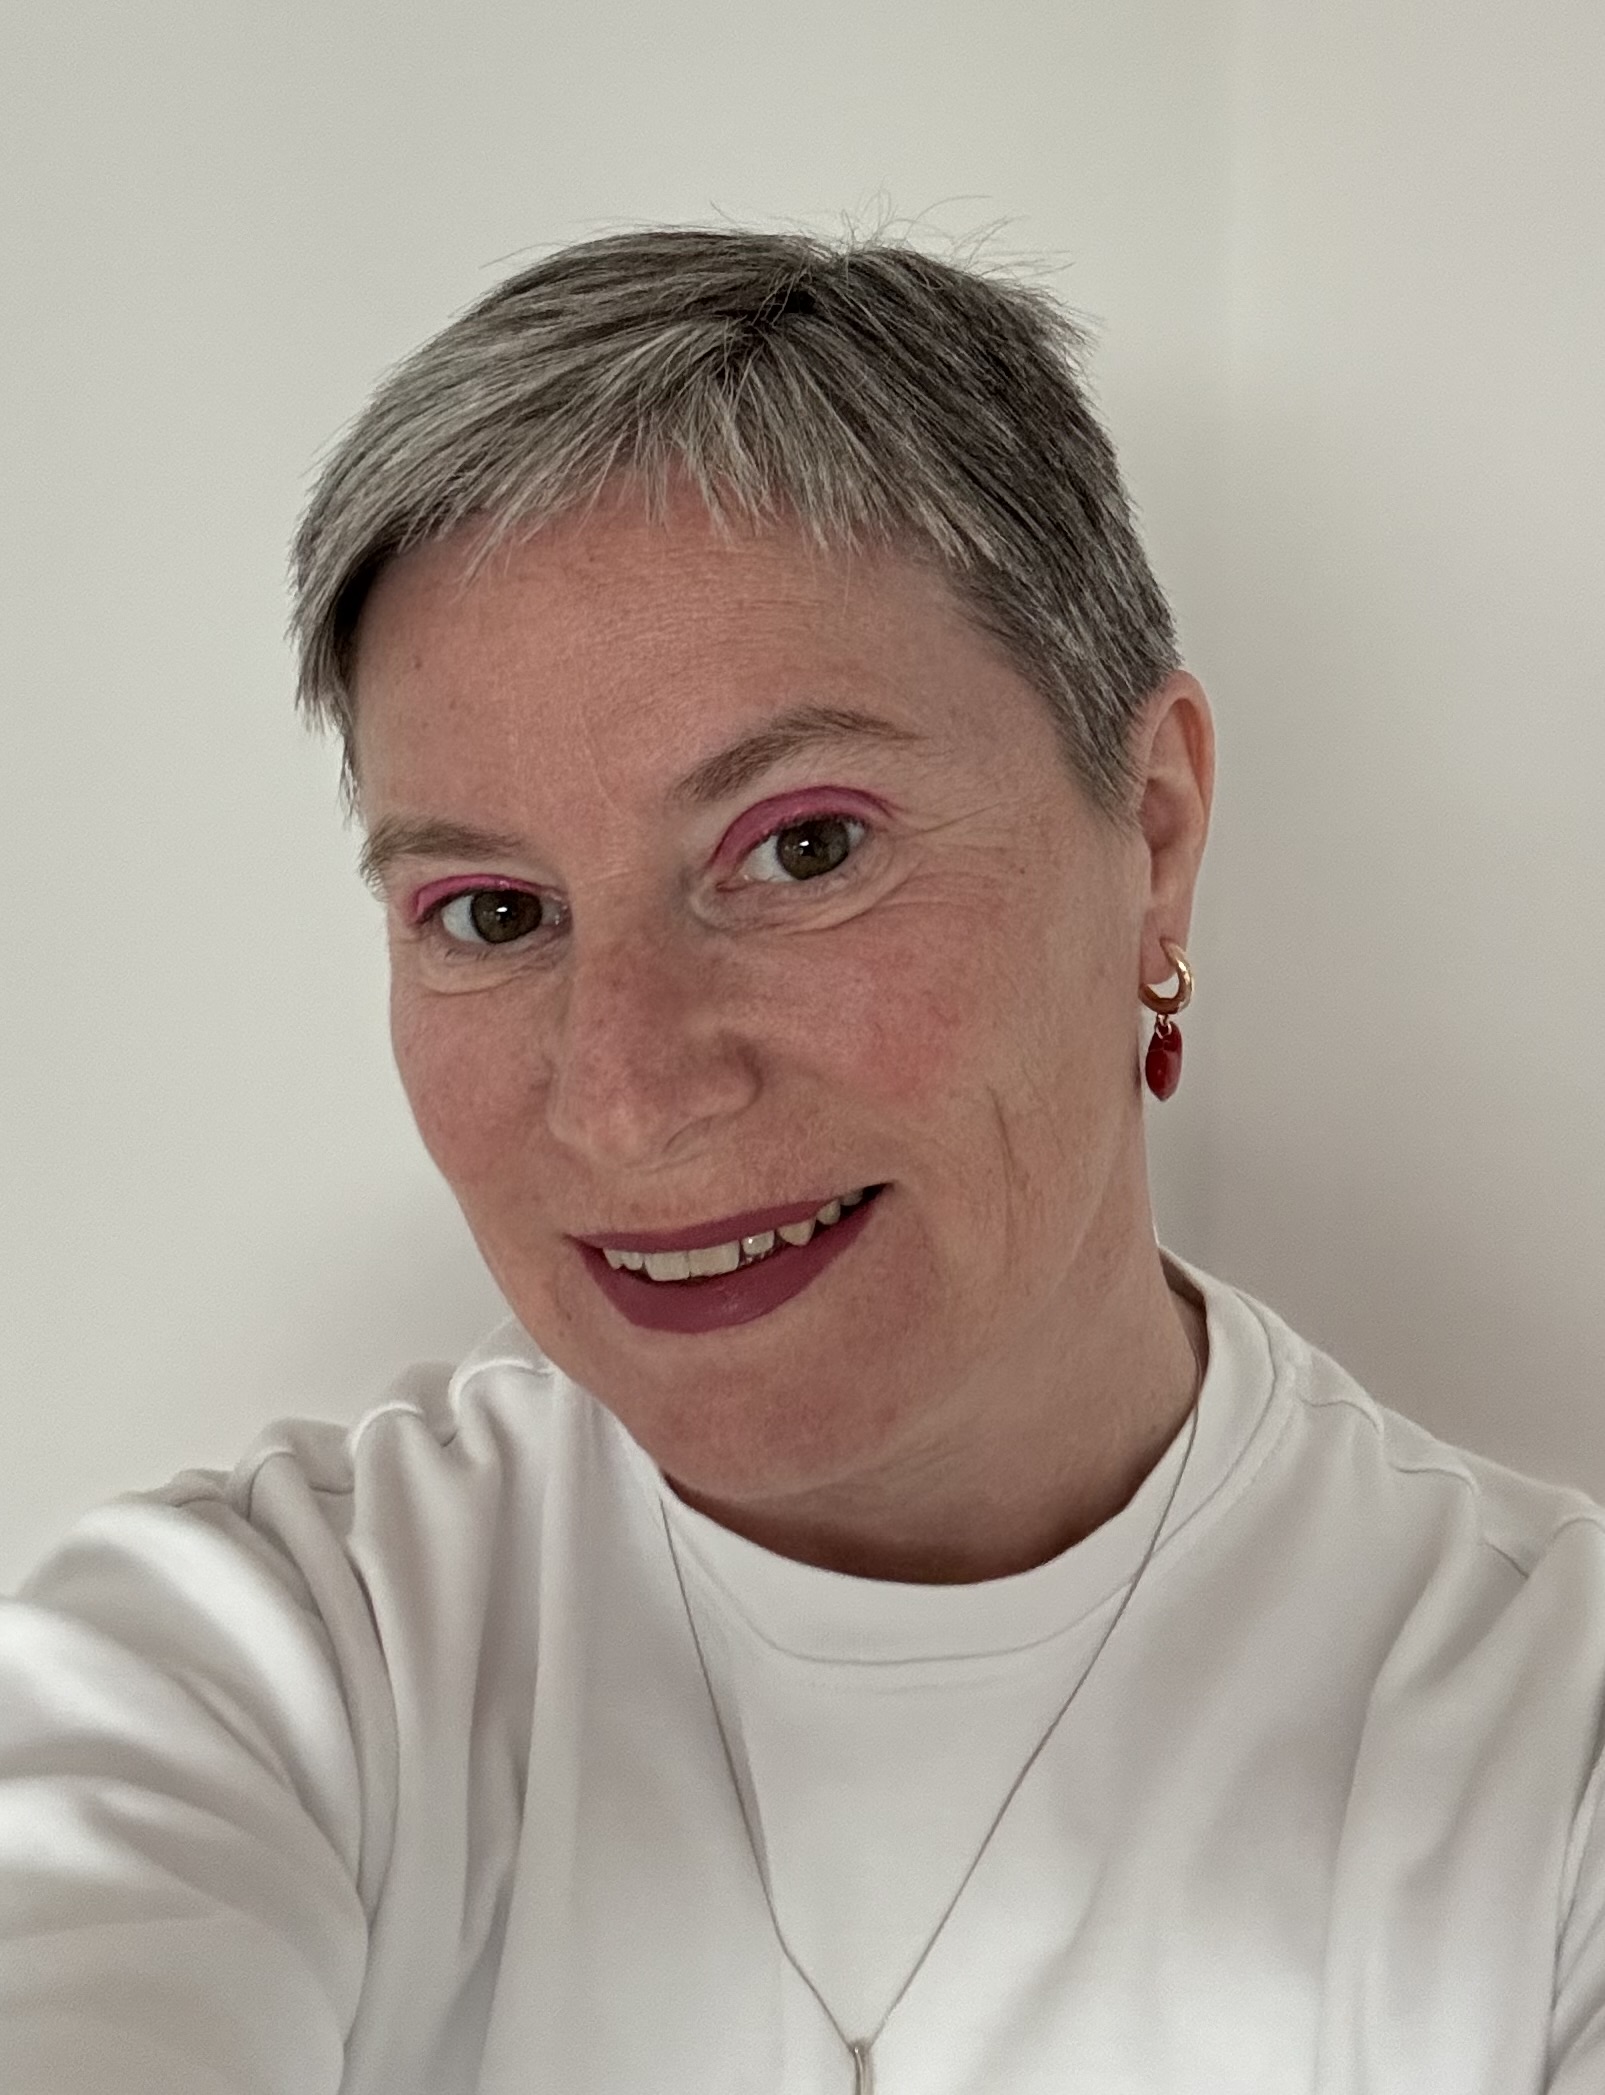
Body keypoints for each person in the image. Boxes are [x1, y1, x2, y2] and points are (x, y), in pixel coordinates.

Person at [2, 227, 1602, 2095]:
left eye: (806, 851)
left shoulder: (1547, 1745)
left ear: (1149, 833)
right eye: (494, 909)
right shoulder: (247, 1672)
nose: (626, 1094)